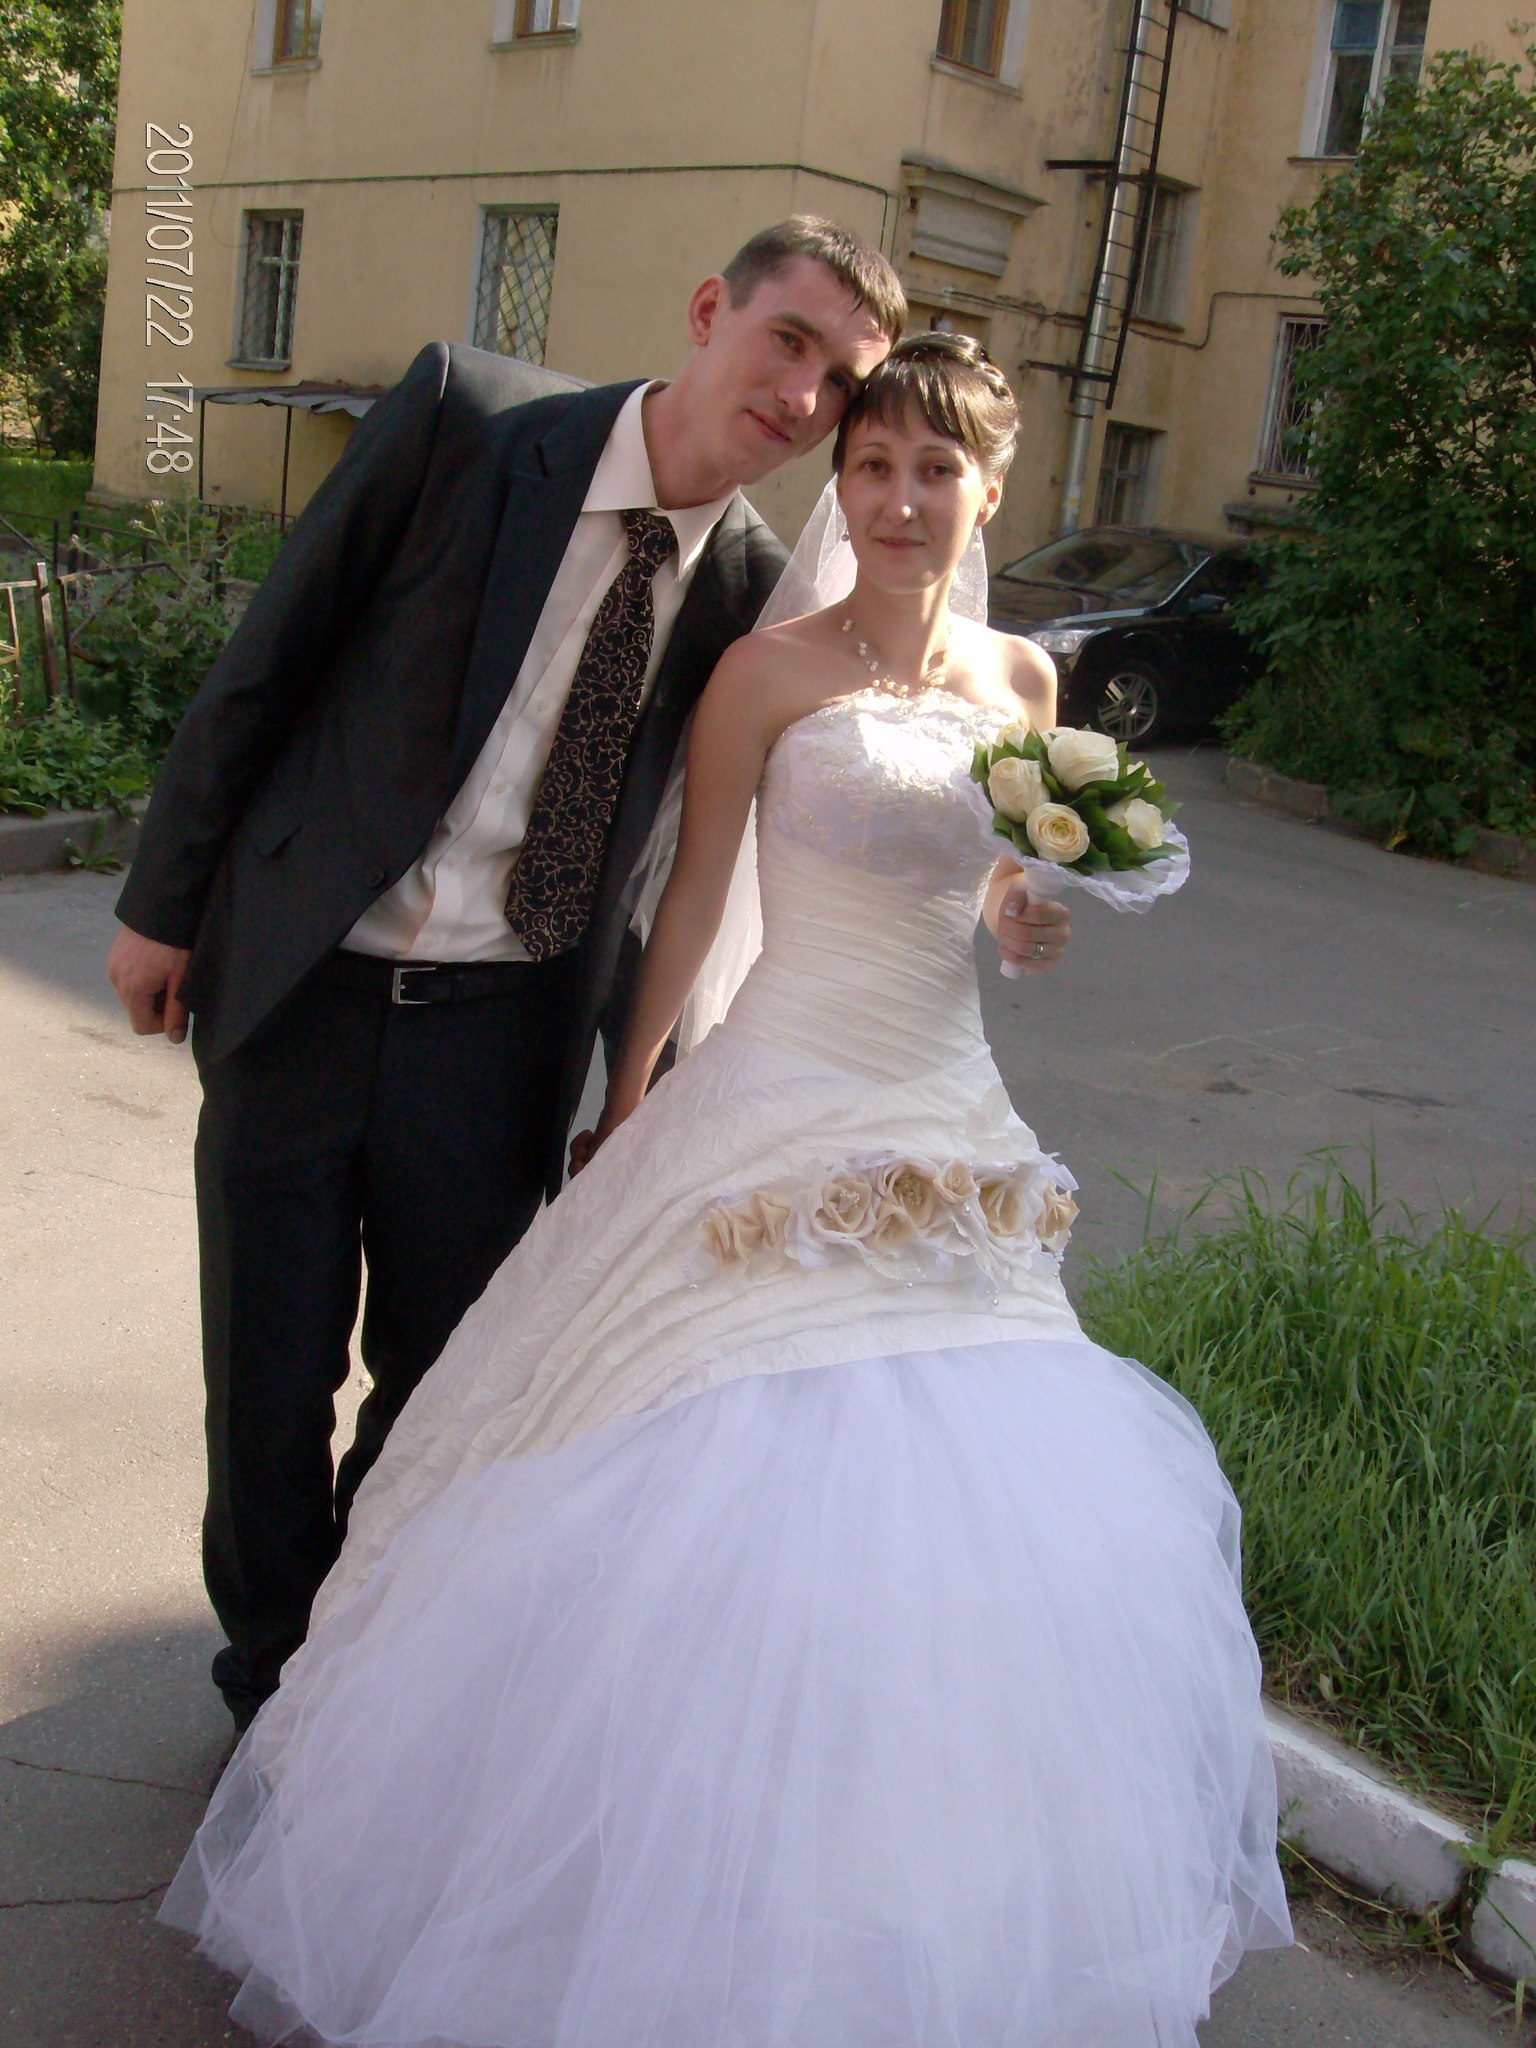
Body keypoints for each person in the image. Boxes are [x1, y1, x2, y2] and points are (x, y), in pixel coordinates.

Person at [163, 333, 1291, 2048]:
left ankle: (904, 1880)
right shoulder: (764, 670)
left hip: (950, 1116)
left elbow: (997, 886)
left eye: (934, 471)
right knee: (704, 1465)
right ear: (844, 486)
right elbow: (690, 900)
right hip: (779, 1091)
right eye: (872, 467)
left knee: (971, 1495)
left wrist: (1031, 915)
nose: (898, 500)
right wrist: (629, 1103)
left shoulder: (1024, 685)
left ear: (989, 491)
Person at [110, 220, 1065, 1737]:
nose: (804, 396)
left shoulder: (752, 591)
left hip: (503, 1025)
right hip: (309, 979)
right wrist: (163, 907)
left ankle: (351, 1673)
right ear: (709, 310)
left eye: (841, 379)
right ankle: (264, 1680)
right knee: (267, 1376)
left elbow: (702, 863)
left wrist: (639, 1086)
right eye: (789, 342)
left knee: (443, 1379)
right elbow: (273, 653)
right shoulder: (469, 421)